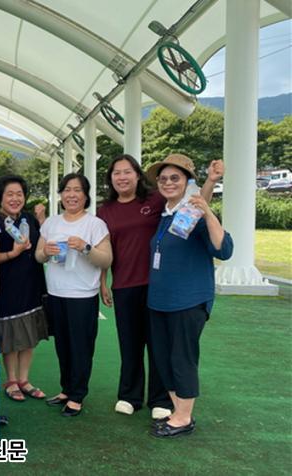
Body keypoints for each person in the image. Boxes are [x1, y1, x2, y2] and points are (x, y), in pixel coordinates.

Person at [98, 155, 223, 419]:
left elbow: (195, 209)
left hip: (158, 285)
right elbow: (105, 246)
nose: (122, 177)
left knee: (159, 346)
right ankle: (129, 395)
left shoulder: (156, 199)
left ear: (137, 175)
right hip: (124, 283)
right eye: (116, 173)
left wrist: (211, 182)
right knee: (129, 343)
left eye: (127, 171)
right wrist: (103, 281)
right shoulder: (105, 210)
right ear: (110, 178)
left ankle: (160, 398)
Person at [145, 154, 233, 438]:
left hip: (188, 300)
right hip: (159, 301)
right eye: (163, 179)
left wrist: (208, 210)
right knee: (163, 358)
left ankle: (183, 418)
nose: (168, 183)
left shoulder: (197, 215)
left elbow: (223, 249)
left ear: (187, 182)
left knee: (182, 358)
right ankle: (177, 411)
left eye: (175, 178)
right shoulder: (170, 214)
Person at [35, 173, 112, 417]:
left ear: (86, 195)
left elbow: (106, 259)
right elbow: (38, 255)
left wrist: (85, 248)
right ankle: (66, 389)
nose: (71, 195)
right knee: (63, 345)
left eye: (77, 190)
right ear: (61, 195)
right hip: (56, 292)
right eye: (67, 190)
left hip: (83, 295)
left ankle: (77, 395)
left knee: (81, 347)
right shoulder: (51, 223)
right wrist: (45, 252)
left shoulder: (95, 224)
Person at [0, 175, 49, 402]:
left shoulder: (29, 218)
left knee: (30, 333)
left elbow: (42, 243)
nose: (15, 199)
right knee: (11, 332)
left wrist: (42, 220)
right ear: (0, 197)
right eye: (10, 194)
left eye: (19, 194)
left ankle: (24, 380)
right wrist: (12, 253)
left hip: (33, 280)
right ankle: (11, 380)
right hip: (8, 283)